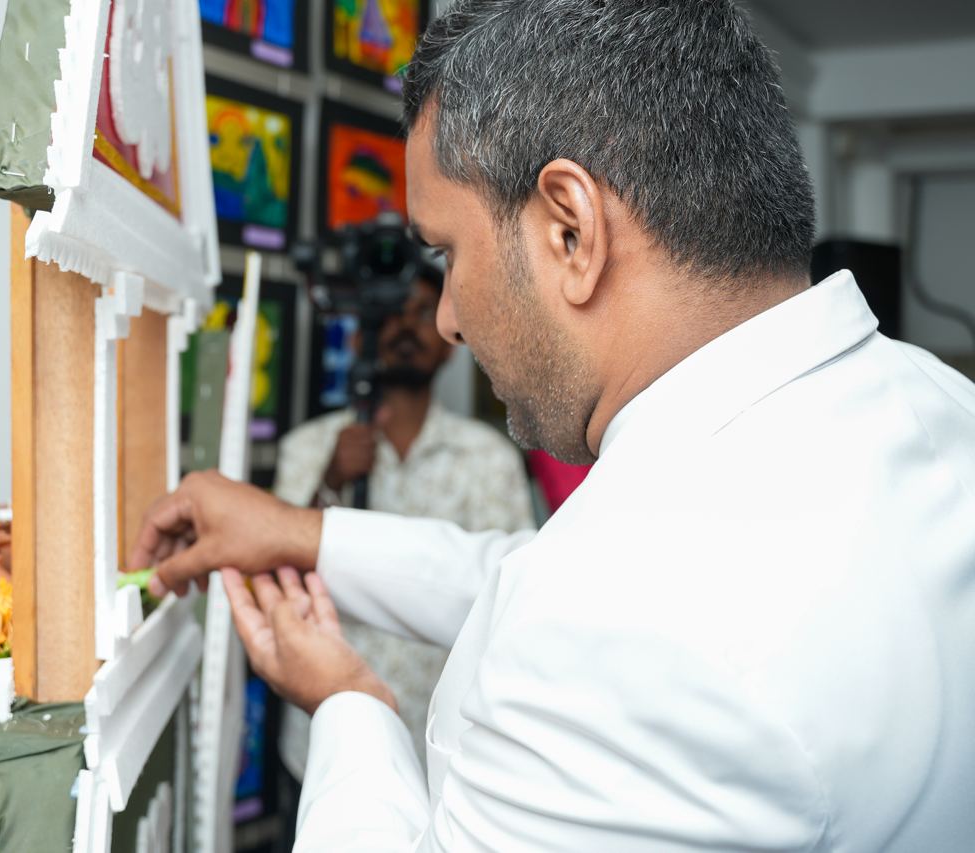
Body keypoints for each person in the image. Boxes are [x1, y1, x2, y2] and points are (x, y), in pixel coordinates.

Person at [132, 1, 975, 849]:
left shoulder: (615, 629)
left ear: (570, 229)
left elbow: (594, 606)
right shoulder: (938, 404)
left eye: (450, 253)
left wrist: (353, 708)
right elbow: (521, 572)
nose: (451, 318)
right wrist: (304, 535)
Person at [272, 264, 533, 801]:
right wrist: (331, 482)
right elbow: (274, 586)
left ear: (448, 344)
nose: (407, 328)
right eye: (392, 314)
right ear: (364, 335)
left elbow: (516, 605)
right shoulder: (309, 447)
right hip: (323, 740)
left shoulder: (488, 458)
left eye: (421, 313)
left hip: (446, 750)